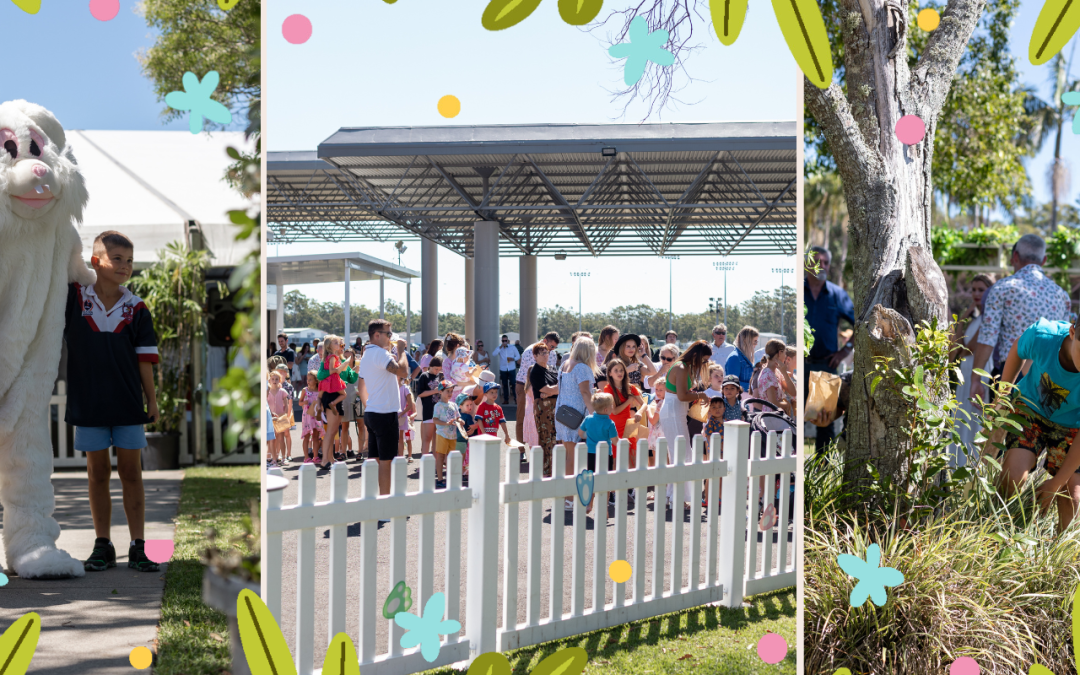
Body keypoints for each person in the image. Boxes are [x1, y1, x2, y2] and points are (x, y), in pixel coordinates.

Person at [68, 231, 161, 573]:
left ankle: (138, 546)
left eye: (130, 260)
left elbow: (145, 360)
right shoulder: (74, 299)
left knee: (130, 473)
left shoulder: (137, 308)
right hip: (88, 402)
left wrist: (151, 401)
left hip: (126, 403)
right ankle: (102, 545)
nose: (125, 266)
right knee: (97, 473)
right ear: (96, 262)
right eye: (117, 258)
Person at [989, 314, 1080, 534]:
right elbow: (1019, 349)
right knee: (1012, 477)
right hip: (1029, 409)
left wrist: (1056, 484)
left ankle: (1060, 560)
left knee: (1074, 500)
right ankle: (998, 532)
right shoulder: (1044, 335)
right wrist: (1002, 396)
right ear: (1072, 332)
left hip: (1071, 427)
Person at [971, 234, 1072, 401]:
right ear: (1044, 260)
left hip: (1010, 377)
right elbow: (1063, 343)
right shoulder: (1061, 295)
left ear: (1015, 256)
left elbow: (987, 337)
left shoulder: (1002, 288)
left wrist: (975, 379)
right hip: (1049, 382)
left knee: (1004, 426)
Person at [804, 246, 856, 451]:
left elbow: (858, 325)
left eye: (826, 262)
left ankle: (820, 472)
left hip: (825, 367)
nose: (822, 266)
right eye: (817, 261)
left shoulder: (837, 294)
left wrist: (846, 350)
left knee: (824, 424)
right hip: (798, 367)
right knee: (793, 421)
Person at [358, 319, 412, 500]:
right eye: (388, 334)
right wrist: (402, 351)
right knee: (386, 462)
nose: (391, 337)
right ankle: (385, 505)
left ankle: (373, 501)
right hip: (384, 414)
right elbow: (403, 371)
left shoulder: (366, 354)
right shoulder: (380, 354)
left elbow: (361, 385)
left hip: (373, 412)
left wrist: (369, 405)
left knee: (374, 460)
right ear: (376, 335)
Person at [660, 340, 713, 510]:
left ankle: (671, 496)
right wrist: (701, 396)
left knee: (678, 454)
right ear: (696, 356)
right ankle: (677, 498)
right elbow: (682, 396)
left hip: (675, 411)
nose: (705, 364)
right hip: (674, 411)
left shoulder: (682, 366)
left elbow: (681, 394)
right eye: (704, 360)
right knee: (681, 455)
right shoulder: (681, 367)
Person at [949, 273, 996, 466]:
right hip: (965, 373)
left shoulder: (989, 319)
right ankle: (958, 464)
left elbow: (968, 349)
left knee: (976, 418)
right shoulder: (974, 319)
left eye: (981, 290)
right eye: (973, 290)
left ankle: (974, 465)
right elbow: (954, 351)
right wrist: (962, 319)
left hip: (980, 372)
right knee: (962, 417)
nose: (977, 294)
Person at [556, 338, 600, 510]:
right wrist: (593, 414)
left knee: (568, 455)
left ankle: (566, 496)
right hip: (575, 416)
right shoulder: (582, 367)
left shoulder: (565, 364)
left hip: (563, 413)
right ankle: (569, 498)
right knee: (573, 457)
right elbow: (584, 392)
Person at [604, 358, 643, 505]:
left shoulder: (630, 387)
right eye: (616, 371)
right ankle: (613, 492)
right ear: (610, 373)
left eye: (621, 370)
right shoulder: (608, 389)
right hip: (614, 427)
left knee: (629, 458)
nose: (619, 373)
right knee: (615, 459)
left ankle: (627, 488)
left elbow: (644, 404)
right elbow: (614, 410)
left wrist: (639, 411)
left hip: (628, 426)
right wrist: (629, 401)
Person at [576, 392, 619, 514]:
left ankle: (589, 504)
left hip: (591, 454)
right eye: (611, 405)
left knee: (592, 479)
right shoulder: (609, 423)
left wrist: (589, 437)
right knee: (605, 481)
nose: (612, 407)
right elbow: (615, 441)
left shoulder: (588, 419)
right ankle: (604, 508)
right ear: (606, 409)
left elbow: (580, 433)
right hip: (606, 455)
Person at [516, 332, 561, 443]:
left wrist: (549, 391)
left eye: (555, 347)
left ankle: (541, 448)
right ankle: (521, 449)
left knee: (544, 418)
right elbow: (533, 376)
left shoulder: (553, 354)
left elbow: (552, 373)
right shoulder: (530, 351)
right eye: (551, 346)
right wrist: (548, 391)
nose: (552, 350)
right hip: (525, 385)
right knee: (524, 416)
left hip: (546, 388)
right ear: (545, 341)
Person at [316, 336, 353, 467]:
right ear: (330, 346)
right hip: (331, 394)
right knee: (331, 430)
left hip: (334, 393)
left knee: (333, 430)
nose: (340, 344)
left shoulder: (333, 356)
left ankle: (330, 458)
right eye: (336, 342)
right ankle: (325, 460)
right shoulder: (332, 357)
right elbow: (332, 371)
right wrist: (341, 367)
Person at [528, 341, 560, 477]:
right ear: (535, 356)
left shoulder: (553, 368)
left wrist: (551, 392)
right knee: (547, 438)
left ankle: (557, 468)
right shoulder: (535, 371)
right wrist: (551, 391)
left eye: (547, 352)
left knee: (557, 437)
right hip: (544, 410)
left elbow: (560, 386)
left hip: (556, 406)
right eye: (542, 353)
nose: (545, 355)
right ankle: (546, 470)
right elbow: (546, 389)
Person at [431, 382, 461, 486]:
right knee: (441, 457)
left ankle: (450, 479)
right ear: (440, 392)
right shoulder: (437, 406)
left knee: (451, 457)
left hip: (453, 435)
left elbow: (458, 417)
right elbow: (435, 420)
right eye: (447, 391)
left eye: (451, 391)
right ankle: (440, 479)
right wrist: (445, 423)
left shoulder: (454, 405)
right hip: (442, 434)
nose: (450, 393)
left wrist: (461, 421)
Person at [753, 339, 793, 416]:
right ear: (780, 353)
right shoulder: (768, 374)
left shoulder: (777, 372)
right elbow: (772, 403)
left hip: (777, 417)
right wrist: (787, 405)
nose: (785, 356)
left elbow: (793, 392)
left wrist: (784, 373)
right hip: (772, 418)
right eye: (785, 353)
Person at [416, 357, 443, 457]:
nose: (437, 371)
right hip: (428, 411)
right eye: (436, 369)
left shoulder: (440, 376)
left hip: (439, 412)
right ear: (430, 366)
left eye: (439, 369)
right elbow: (420, 394)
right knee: (427, 438)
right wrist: (435, 391)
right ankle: (424, 463)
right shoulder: (424, 376)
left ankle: (436, 463)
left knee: (437, 438)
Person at [267, 371, 291, 467]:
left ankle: (284, 458)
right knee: (272, 439)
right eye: (272, 379)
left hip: (280, 418)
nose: (274, 381)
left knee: (281, 438)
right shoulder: (267, 392)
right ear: (269, 380)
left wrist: (285, 416)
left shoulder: (283, 392)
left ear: (280, 380)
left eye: (277, 379)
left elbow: (286, 405)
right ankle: (274, 458)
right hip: (271, 418)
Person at [726, 326, 759, 393]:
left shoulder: (747, 356)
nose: (756, 344)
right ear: (745, 340)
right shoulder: (735, 358)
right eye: (755, 341)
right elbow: (732, 384)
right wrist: (755, 386)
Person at [274, 363, 296, 463]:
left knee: (286, 433)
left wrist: (288, 415)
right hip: (277, 413)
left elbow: (290, 401)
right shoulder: (273, 385)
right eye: (279, 372)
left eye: (283, 372)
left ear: (286, 373)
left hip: (286, 413)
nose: (281, 374)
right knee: (278, 434)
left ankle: (289, 454)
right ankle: (278, 454)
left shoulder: (289, 386)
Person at [300, 371, 322, 463]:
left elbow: (321, 403)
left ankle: (315, 456)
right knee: (306, 436)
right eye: (307, 379)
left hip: (316, 415)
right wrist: (303, 403)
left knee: (316, 436)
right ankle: (306, 457)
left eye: (310, 379)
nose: (308, 381)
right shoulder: (305, 390)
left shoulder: (319, 391)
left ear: (316, 381)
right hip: (307, 416)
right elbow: (300, 402)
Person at [493, 335, 520, 404]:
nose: (504, 342)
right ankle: (506, 399)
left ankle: (516, 399)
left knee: (513, 384)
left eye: (505, 340)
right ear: (501, 341)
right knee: (504, 384)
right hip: (503, 369)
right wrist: (500, 347)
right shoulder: (500, 348)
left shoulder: (512, 347)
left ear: (508, 341)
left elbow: (518, 356)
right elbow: (494, 354)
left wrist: (513, 359)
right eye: (503, 341)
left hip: (511, 368)